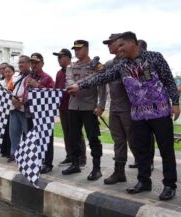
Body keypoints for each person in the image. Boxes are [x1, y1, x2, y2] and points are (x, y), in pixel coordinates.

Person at [68, 31, 179, 201]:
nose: (118, 49)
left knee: (166, 150)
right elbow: (102, 77)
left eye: (121, 45)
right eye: (117, 46)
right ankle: (143, 181)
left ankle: (169, 185)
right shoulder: (121, 65)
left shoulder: (155, 57)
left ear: (133, 43)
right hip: (138, 114)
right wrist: (79, 85)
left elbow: (169, 80)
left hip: (160, 111)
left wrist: (176, 103)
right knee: (141, 150)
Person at [62, 40, 107, 181]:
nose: (76, 51)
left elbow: (102, 87)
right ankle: (75, 163)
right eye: (75, 49)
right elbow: (68, 80)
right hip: (74, 105)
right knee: (73, 137)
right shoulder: (71, 66)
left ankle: (96, 168)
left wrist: (101, 106)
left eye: (79, 49)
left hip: (89, 106)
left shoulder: (96, 66)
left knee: (93, 137)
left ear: (87, 49)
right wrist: (73, 87)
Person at [101, 33, 137, 185]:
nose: (109, 46)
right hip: (115, 108)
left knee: (134, 141)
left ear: (119, 43)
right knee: (118, 141)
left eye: (111, 43)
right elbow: (101, 82)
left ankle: (144, 173)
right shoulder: (109, 64)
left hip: (129, 108)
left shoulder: (129, 60)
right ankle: (119, 172)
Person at [53, 48, 87, 166]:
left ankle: (81, 158)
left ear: (68, 57)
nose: (59, 59)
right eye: (58, 57)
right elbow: (56, 89)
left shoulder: (74, 69)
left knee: (76, 133)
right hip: (62, 107)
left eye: (61, 57)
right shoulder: (58, 73)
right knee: (66, 133)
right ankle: (70, 155)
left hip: (73, 106)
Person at [129, 39, 155, 171]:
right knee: (138, 137)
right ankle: (139, 160)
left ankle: (149, 162)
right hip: (137, 106)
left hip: (149, 106)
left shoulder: (146, 63)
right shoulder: (131, 63)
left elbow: (148, 81)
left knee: (148, 137)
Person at [27, 53, 55, 173]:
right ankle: (35, 161)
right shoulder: (27, 77)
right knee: (32, 138)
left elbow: (53, 94)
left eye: (36, 63)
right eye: (32, 63)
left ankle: (48, 163)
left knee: (46, 139)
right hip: (29, 112)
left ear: (42, 63)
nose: (34, 65)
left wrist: (37, 85)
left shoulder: (47, 78)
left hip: (44, 113)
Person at [8, 55, 32, 162]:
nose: (20, 65)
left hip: (25, 110)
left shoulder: (32, 77)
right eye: (19, 63)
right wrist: (13, 99)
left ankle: (27, 155)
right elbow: (8, 90)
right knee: (13, 133)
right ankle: (14, 154)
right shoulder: (15, 77)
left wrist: (21, 101)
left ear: (29, 64)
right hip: (14, 108)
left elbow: (31, 93)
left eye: (23, 62)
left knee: (28, 134)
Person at [0, 65, 15, 158]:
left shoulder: (16, 82)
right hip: (2, 110)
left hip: (12, 110)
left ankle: (11, 152)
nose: (7, 73)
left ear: (13, 72)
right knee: (3, 131)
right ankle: (4, 151)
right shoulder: (1, 83)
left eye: (9, 71)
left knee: (11, 132)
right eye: (6, 72)